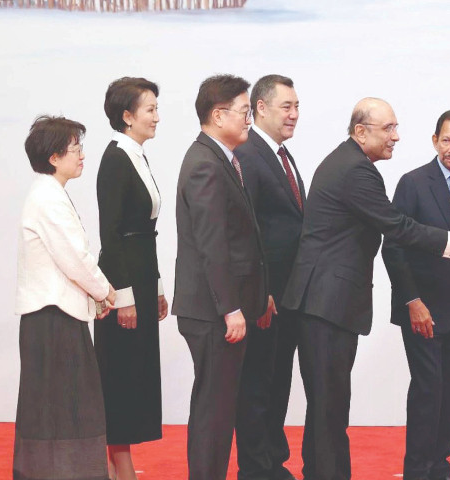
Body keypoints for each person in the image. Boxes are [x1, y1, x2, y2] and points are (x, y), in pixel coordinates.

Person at [280, 98, 450, 480]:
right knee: (329, 409)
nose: (396, 137)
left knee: (327, 409)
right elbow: (397, 229)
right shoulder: (356, 171)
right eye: (389, 129)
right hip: (326, 304)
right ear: (361, 132)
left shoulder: (350, 164)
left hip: (326, 303)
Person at [172, 74, 269, 480]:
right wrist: (231, 308)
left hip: (221, 307)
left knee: (218, 407)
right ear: (217, 115)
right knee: (214, 410)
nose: (249, 120)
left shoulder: (220, 158)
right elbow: (213, 246)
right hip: (213, 311)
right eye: (245, 112)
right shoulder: (205, 165)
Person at [382, 109, 450, 480]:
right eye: (446, 140)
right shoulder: (413, 183)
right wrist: (412, 301)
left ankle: (440, 467)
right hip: (423, 308)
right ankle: (418, 470)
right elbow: (391, 247)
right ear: (433, 140)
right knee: (428, 390)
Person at [14, 115, 116, 480]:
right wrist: (106, 292)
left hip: (54, 317)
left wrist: (96, 295)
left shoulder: (50, 192)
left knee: (58, 407)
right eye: (76, 149)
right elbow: (75, 259)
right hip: (52, 319)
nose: (82, 156)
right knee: (63, 406)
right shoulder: (47, 198)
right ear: (54, 157)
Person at [95, 76, 168, 480]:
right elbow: (110, 234)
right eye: (150, 109)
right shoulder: (114, 158)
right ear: (127, 116)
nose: (158, 116)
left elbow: (145, 230)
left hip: (142, 276)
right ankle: (118, 463)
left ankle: (116, 460)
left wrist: (155, 287)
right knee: (119, 372)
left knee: (135, 370)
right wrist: (122, 295)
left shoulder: (137, 154)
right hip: (121, 281)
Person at [234, 74, 304, 480]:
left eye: (297, 107)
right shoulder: (248, 154)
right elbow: (247, 232)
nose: (294, 114)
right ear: (260, 108)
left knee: (278, 385)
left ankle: (273, 463)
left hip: (287, 298)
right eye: (286, 107)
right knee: (258, 387)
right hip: (264, 299)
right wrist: (259, 294)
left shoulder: (281, 154)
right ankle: (256, 469)